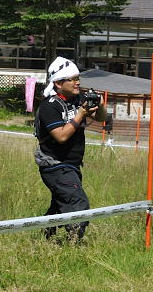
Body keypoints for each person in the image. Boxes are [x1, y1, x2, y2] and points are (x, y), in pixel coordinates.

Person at [34, 57, 107, 242]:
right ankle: (72, 243)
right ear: (58, 83)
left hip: (71, 165)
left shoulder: (78, 99)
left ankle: (45, 238)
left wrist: (101, 105)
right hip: (54, 165)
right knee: (77, 203)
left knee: (59, 205)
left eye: (78, 78)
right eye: (72, 79)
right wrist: (80, 114)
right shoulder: (49, 106)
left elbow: (100, 118)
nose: (78, 82)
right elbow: (61, 136)